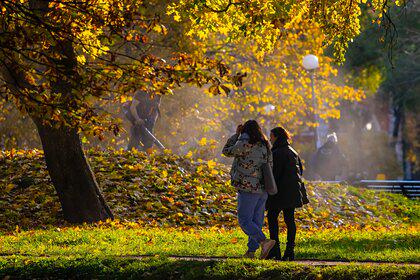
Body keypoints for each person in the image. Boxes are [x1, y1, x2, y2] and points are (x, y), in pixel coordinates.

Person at [222, 120, 276, 259]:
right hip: (263, 188)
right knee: (256, 221)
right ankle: (251, 252)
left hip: (247, 188)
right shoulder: (265, 145)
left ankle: (263, 241)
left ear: (245, 130)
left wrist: (236, 135)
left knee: (245, 220)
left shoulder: (244, 143)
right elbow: (270, 164)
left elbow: (226, 151)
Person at [266, 127, 309, 261]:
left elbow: (274, 175)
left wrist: (268, 189)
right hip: (292, 192)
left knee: (272, 217)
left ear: (277, 137)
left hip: (279, 193)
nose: (270, 139)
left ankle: (275, 248)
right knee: (289, 220)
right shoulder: (293, 152)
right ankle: (290, 250)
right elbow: (300, 172)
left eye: (271, 136)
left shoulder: (277, 153)